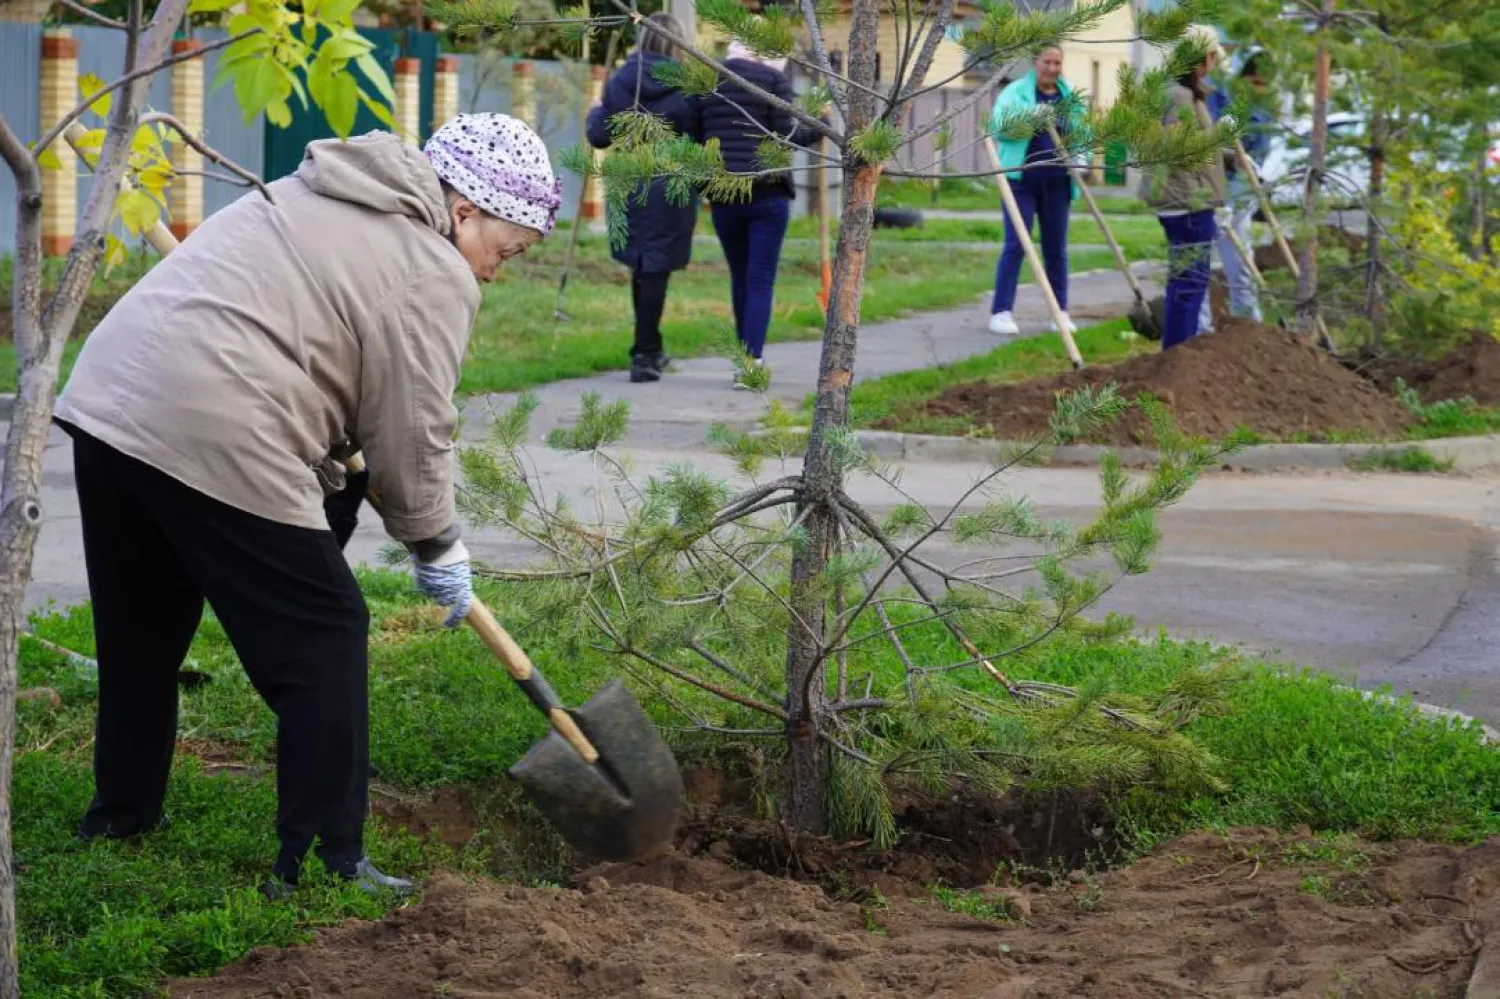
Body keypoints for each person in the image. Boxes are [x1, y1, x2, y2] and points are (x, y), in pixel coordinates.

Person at [51, 113, 560, 897]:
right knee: (327, 631)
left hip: (115, 401)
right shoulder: (433, 267)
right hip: (218, 422)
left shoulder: (319, 188)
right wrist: (437, 544)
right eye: (507, 248)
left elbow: (350, 397)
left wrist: (347, 484)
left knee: (142, 629)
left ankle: (119, 814)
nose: (497, 269)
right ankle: (326, 863)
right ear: (465, 211)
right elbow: (415, 428)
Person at [693, 38, 822, 386]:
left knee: (740, 275)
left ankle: (745, 359)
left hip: (724, 195)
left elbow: (693, 134)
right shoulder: (771, 81)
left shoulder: (710, 81)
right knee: (760, 277)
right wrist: (822, 125)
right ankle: (751, 361)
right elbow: (791, 132)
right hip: (767, 194)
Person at [586, 12, 701, 384]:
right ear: (675, 44)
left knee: (641, 263)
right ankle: (647, 352)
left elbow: (600, 135)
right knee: (655, 266)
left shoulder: (621, 80)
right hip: (669, 183)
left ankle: (646, 348)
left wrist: (593, 114)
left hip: (628, 179)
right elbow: (699, 136)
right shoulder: (687, 85)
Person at [986, 46, 1084, 337]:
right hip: (1021, 181)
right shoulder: (1015, 93)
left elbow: (1083, 133)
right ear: (1035, 63)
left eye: (1057, 63)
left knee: (1056, 249)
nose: (1052, 68)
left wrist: (1082, 158)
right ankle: (1001, 311)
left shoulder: (1070, 99)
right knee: (1016, 244)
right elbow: (998, 127)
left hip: (1057, 183)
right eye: (1047, 62)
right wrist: (1031, 116)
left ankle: (1059, 312)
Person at [1139, 28, 1226, 350]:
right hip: (1186, 201)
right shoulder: (1178, 95)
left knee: (1187, 282)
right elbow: (1177, 146)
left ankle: (1178, 353)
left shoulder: (1186, 93)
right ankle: (1177, 354)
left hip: (1187, 198)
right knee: (1189, 284)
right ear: (1202, 57)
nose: (1215, 62)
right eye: (1213, 56)